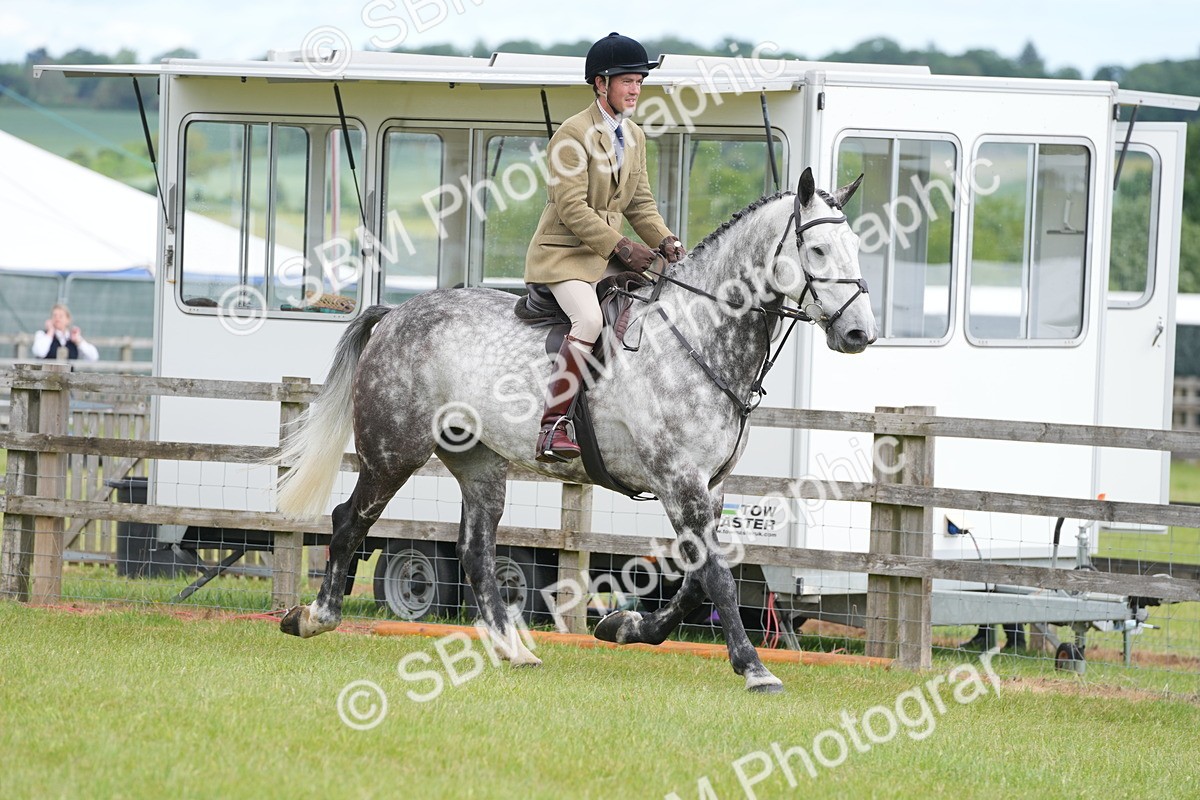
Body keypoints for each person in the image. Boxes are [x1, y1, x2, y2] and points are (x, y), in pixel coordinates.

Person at [524, 32, 686, 463]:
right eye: (627, 81)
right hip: (565, 257)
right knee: (590, 319)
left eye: (639, 81)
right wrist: (621, 246)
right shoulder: (572, 134)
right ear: (600, 84)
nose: (635, 89)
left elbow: (640, 203)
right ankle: (552, 425)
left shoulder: (633, 136)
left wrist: (665, 240)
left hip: (608, 256)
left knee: (660, 304)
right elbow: (571, 206)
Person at [31, 303, 100, 362]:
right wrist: (50, 332)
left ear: (68, 320)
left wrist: (78, 341)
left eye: (61, 316)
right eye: (54, 315)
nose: (57, 318)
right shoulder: (42, 334)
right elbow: (39, 353)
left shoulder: (73, 337)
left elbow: (93, 358)